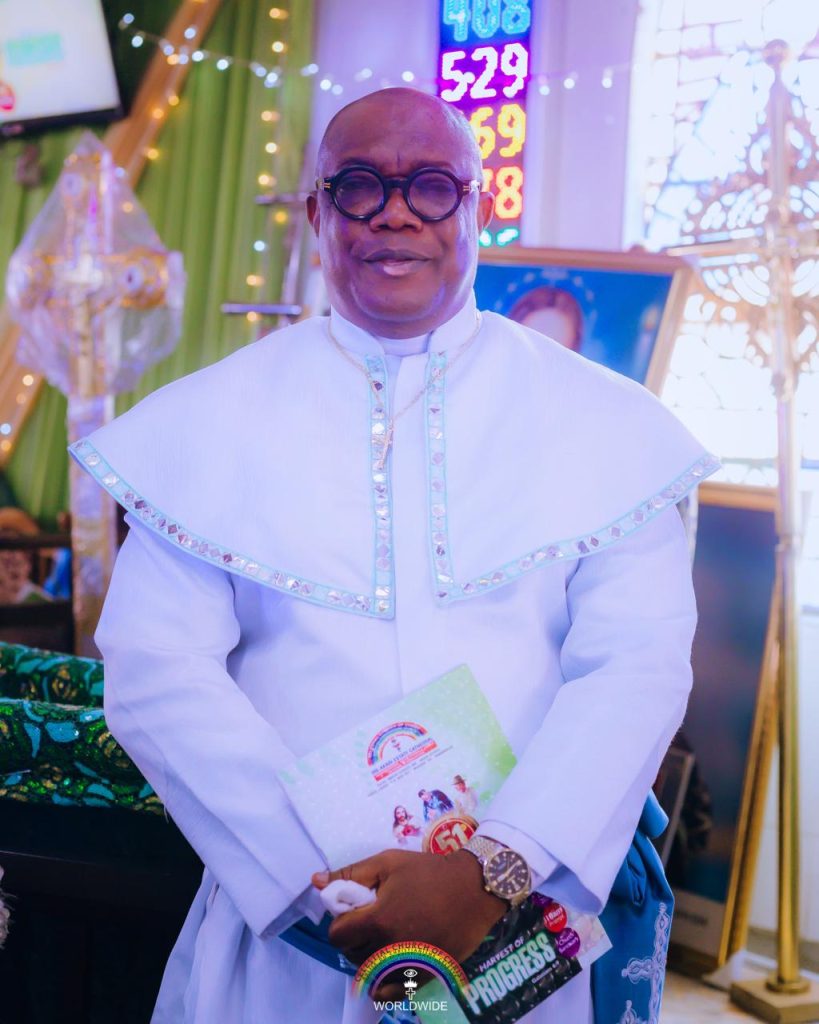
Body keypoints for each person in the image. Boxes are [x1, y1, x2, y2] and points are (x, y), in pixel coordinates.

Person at [69, 87, 718, 1023]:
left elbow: (634, 669)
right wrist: (325, 884)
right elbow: (155, 670)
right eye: (360, 186)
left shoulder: (607, 428)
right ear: (317, 213)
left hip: (520, 922)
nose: (395, 214)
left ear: (478, 206)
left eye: (431, 187)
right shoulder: (209, 424)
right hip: (295, 933)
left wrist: (494, 868)